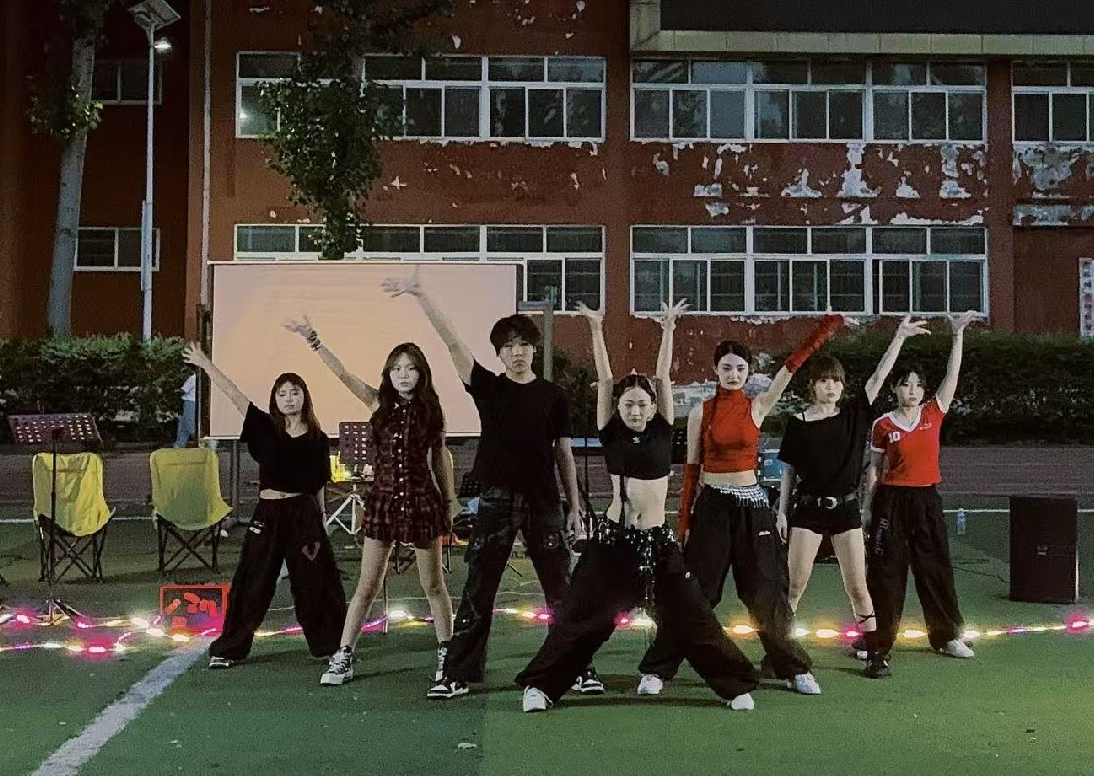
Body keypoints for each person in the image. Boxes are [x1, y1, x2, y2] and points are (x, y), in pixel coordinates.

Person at [517, 302, 759, 712]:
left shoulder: (663, 428)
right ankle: (540, 687)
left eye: (642, 404)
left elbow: (664, 377)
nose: (635, 410)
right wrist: (596, 329)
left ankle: (734, 686)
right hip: (614, 542)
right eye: (628, 404)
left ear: (653, 406)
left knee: (694, 614)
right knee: (581, 616)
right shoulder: (610, 432)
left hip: (658, 544)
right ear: (618, 407)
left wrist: (668, 329)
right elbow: (604, 378)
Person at [385, 274, 597, 700]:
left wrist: (574, 506)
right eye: (509, 346)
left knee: (560, 588)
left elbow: (563, 453)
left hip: (544, 501)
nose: (517, 352)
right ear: (499, 353)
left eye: (524, 344)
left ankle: (576, 667)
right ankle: (458, 674)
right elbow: (453, 344)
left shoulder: (553, 396)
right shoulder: (489, 387)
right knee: (479, 590)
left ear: (534, 349)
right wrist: (423, 295)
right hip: (495, 500)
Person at [636, 314, 844, 697]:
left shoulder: (758, 405)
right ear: (716, 370)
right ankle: (658, 669)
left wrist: (822, 332)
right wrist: (683, 526)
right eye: (727, 368)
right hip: (712, 508)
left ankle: (793, 668)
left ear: (749, 373)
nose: (734, 374)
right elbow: (691, 472)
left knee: (765, 592)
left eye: (741, 369)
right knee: (697, 593)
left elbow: (789, 368)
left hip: (753, 508)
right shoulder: (701, 412)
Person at [287, 317, 457, 690]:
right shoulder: (378, 402)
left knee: (433, 584)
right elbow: (343, 375)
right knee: (367, 585)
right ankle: (344, 654)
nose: (403, 375)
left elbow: (440, 459)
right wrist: (314, 339)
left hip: (422, 501)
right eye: (396, 369)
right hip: (382, 501)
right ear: (388, 374)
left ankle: (448, 654)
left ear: (421, 373)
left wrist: (450, 502)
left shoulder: (433, 411)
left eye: (410, 368)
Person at [184, 341, 349, 678]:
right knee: (253, 580)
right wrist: (205, 363)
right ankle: (230, 648)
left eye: (295, 392)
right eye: (282, 393)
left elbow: (318, 486)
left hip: (304, 516)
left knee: (315, 581)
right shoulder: (264, 427)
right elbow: (234, 394)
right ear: (275, 399)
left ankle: (333, 645)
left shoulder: (318, 439)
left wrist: (320, 525)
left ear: (305, 397)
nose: (289, 398)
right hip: (268, 513)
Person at [778, 317, 927, 657]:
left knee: (858, 587)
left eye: (836, 381)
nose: (831, 387)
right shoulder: (798, 424)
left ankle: (875, 653)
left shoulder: (854, 414)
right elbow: (789, 472)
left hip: (846, 510)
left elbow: (879, 376)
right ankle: (780, 651)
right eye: (824, 380)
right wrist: (782, 513)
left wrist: (899, 337)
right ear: (812, 386)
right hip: (808, 510)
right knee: (795, 586)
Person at [858, 311, 979, 679]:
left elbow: (952, 377)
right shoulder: (883, 424)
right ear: (895, 389)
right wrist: (866, 510)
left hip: (926, 500)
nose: (912, 391)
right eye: (905, 384)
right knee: (886, 574)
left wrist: (957, 335)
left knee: (935, 568)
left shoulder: (933, 413)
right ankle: (877, 642)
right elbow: (874, 470)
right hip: (890, 503)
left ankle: (946, 636)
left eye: (917, 385)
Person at [173, 368, 198, 449]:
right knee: (183, 425)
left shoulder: (192, 379)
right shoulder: (196, 379)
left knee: (189, 424)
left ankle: (200, 441)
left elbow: (183, 391)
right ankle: (179, 444)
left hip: (189, 402)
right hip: (190, 402)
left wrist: (175, 391)